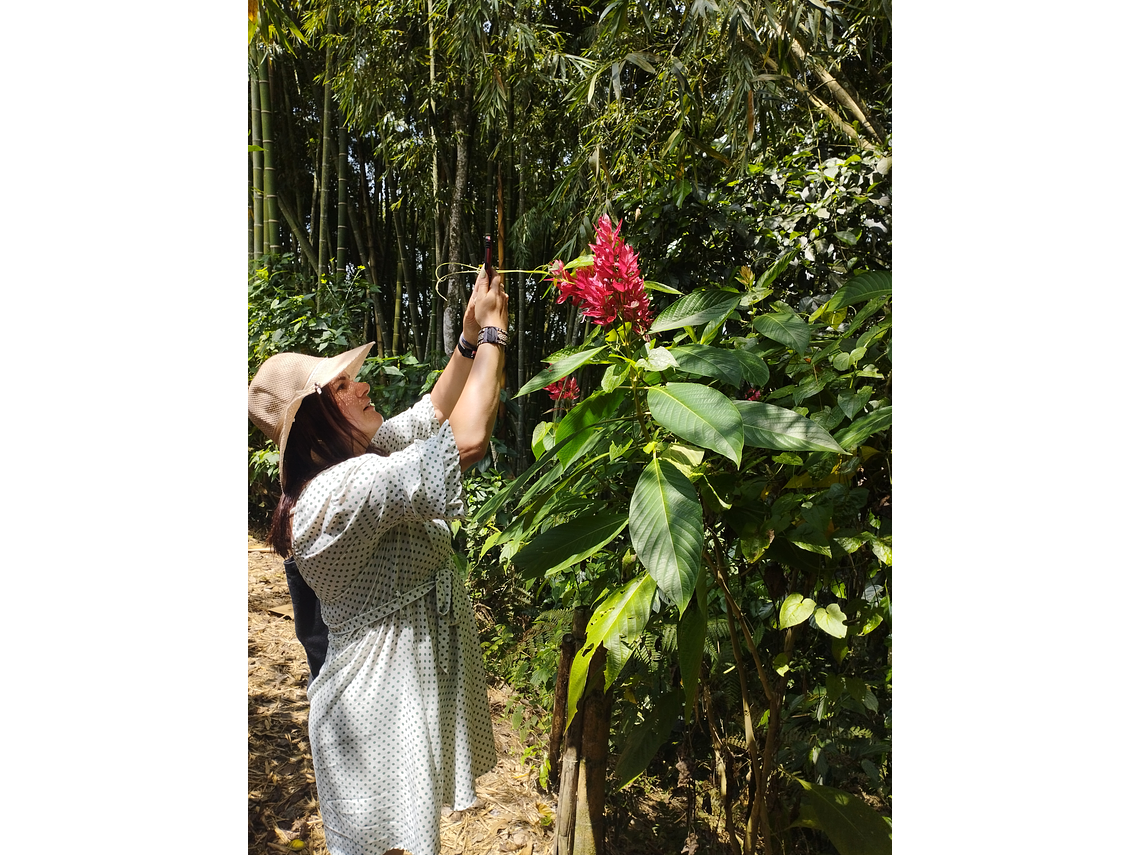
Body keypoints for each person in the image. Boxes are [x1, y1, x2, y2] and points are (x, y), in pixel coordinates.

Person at [248, 264, 510, 855]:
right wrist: (496, 337)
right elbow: (465, 441)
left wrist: (468, 338)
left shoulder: (351, 459)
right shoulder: (335, 495)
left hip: (392, 698)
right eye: (341, 388)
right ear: (313, 422)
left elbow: (431, 415)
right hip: (371, 719)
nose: (362, 386)